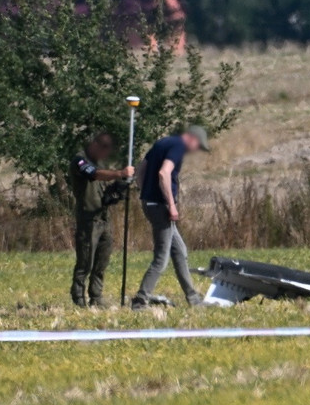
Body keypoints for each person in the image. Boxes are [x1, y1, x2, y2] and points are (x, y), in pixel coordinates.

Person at [131, 126, 210, 310]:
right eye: (198, 146)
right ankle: (140, 300)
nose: (195, 150)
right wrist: (172, 205)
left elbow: (141, 171)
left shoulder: (163, 143)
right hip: (161, 207)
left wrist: (146, 193)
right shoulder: (178, 147)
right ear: (192, 139)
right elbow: (164, 173)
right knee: (162, 258)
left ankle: (193, 298)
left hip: (150, 204)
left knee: (180, 251)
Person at [69, 133, 135, 307]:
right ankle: (79, 298)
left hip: (104, 217)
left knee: (102, 261)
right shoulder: (80, 161)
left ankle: (96, 297)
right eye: (105, 150)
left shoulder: (101, 164)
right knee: (85, 262)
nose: (106, 155)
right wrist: (119, 173)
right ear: (96, 145)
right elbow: (94, 175)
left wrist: (119, 187)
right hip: (88, 219)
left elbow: (105, 191)